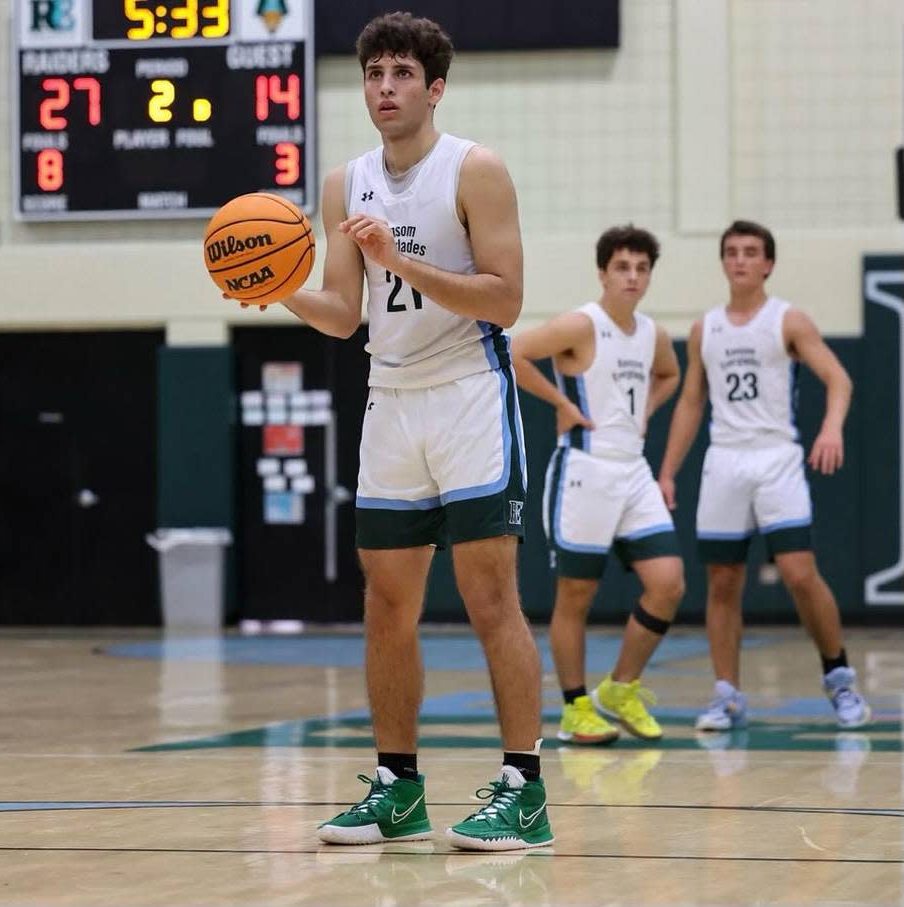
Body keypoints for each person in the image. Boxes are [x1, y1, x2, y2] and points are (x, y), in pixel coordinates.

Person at [246, 12, 552, 850]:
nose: (385, 87)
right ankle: (397, 786)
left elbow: (505, 298)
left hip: (467, 396)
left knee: (492, 600)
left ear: (435, 87)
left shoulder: (475, 169)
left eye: (402, 74)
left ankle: (524, 789)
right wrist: (275, 285)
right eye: (375, 73)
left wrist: (401, 258)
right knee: (386, 604)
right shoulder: (345, 183)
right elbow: (345, 314)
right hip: (391, 397)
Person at [657, 219, 871, 731]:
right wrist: (667, 471)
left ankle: (838, 676)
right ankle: (728, 695)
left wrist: (831, 429)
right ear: (723, 262)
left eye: (751, 252)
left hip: (777, 457)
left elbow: (838, 378)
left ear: (768, 263)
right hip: (725, 460)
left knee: (799, 572)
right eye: (732, 252)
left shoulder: (787, 320)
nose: (740, 260)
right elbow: (690, 401)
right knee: (723, 581)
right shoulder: (706, 328)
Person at [510, 225, 684, 746]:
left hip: (634, 470)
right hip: (584, 470)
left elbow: (670, 375)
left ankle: (621, 688)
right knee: (576, 594)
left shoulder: (653, 333)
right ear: (603, 272)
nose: (632, 277)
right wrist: (562, 405)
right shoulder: (581, 324)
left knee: (669, 583)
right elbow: (513, 352)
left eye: (642, 268)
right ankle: (574, 707)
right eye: (623, 267)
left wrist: (647, 412)